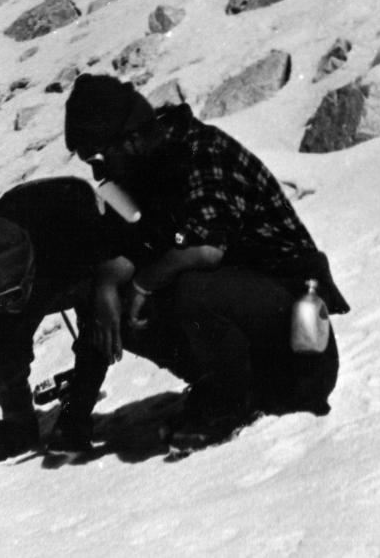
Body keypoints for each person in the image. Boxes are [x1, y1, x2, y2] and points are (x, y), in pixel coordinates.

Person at [64, 73, 350, 450]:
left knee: (190, 287)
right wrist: (105, 288)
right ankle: (225, 386)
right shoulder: (145, 167)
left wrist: (140, 284)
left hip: (298, 345)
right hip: (248, 318)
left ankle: (229, 403)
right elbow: (130, 248)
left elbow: (205, 250)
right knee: (114, 301)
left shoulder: (201, 151)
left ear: (130, 140)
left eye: (99, 159)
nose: (100, 173)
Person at [0, 176, 142, 511]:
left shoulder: (75, 236)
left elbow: (130, 249)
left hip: (74, 253)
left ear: (30, 270)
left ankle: (75, 410)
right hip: (31, 254)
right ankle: (19, 424)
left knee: (103, 318)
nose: (8, 307)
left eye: (14, 296)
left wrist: (107, 288)